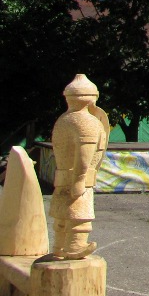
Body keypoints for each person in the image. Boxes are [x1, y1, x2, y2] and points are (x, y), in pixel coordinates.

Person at [50, 73, 110, 260]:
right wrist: (80, 179)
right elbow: (85, 154)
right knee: (80, 216)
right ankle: (74, 246)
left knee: (62, 213)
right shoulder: (88, 122)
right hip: (79, 178)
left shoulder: (63, 119)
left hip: (63, 176)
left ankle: (59, 246)